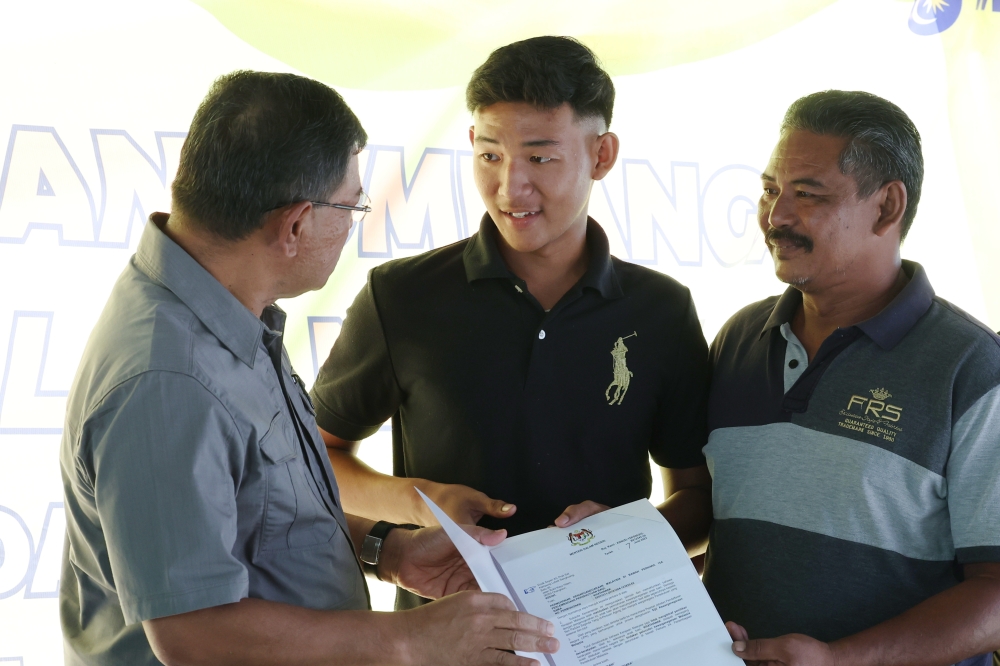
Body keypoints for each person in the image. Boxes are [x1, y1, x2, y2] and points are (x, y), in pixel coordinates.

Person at [59, 70, 559, 666]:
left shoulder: (224, 308)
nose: (353, 224)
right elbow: (194, 633)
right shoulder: (169, 379)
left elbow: (257, 518)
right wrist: (413, 639)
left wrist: (388, 551)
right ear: (295, 225)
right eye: (351, 206)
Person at [310, 36, 713, 610]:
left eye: (540, 158)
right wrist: (421, 505)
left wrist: (627, 538)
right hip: (448, 637)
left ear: (602, 155)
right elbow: (319, 458)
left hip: (610, 633)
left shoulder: (662, 309)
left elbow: (696, 498)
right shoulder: (401, 296)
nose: (509, 188)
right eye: (491, 155)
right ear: (472, 141)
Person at [703, 90, 1000, 666]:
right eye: (770, 190)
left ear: (887, 207)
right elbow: (706, 513)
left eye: (807, 196)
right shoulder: (739, 338)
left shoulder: (973, 367)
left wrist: (841, 659)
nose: (776, 216)